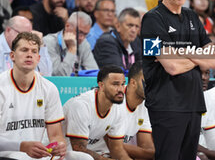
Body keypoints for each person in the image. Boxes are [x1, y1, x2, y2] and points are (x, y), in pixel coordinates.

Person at [140, 0, 215, 160]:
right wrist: (197, 56)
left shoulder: (192, 16)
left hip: (193, 102)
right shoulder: (152, 19)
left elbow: (213, 60)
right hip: (167, 104)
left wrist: (182, 52)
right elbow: (172, 67)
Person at [0, 32, 92, 160]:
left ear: (38, 58)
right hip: (7, 154)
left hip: (38, 153)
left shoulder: (48, 88)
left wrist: (59, 147)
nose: (29, 55)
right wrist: (21, 146)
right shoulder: (2, 86)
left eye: (34, 51)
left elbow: (56, 135)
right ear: (12, 56)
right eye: (24, 50)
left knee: (83, 158)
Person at [62, 65, 132, 160]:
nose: (120, 89)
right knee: (86, 158)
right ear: (101, 85)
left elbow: (117, 148)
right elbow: (78, 148)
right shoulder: (81, 105)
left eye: (123, 84)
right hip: (56, 152)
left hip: (88, 152)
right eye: (115, 84)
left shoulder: (119, 108)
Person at [43, 11, 98, 76]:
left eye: (85, 34)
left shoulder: (84, 44)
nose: (82, 38)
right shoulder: (49, 42)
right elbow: (58, 76)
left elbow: (93, 74)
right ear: (67, 26)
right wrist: (71, 49)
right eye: (80, 32)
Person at [121, 62, 155, 159]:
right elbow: (113, 145)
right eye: (147, 81)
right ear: (133, 83)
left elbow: (147, 147)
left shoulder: (146, 105)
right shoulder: (114, 100)